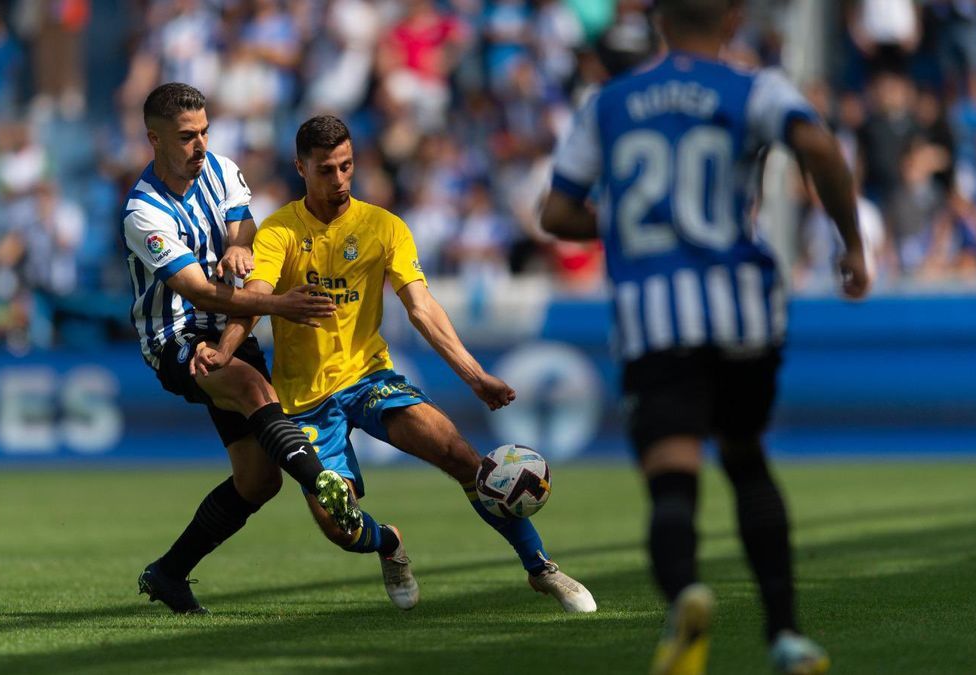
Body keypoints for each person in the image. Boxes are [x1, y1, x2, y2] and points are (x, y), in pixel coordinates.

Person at [540, 1, 871, 673]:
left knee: (672, 481)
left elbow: (557, 210)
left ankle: (686, 594)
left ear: (659, 21)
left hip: (654, 317)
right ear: (732, 17)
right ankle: (786, 635)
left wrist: (634, 221)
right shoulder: (756, 87)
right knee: (746, 459)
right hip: (742, 310)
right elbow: (817, 146)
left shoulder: (609, 102)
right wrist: (852, 243)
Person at [205, 115, 596, 613]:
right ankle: (388, 543)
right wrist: (224, 348)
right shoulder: (279, 230)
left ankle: (541, 568)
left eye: (347, 166)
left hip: (368, 378)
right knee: (340, 524)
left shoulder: (383, 226)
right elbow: (255, 297)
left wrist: (474, 375)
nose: (340, 179)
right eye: (327, 169)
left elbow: (422, 307)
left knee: (463, 458)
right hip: (304, 401)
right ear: (301, 167)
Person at [123, 83, 362, 615]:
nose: (200, 144)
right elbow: (194, 289)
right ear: (154, 139)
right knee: (253, 387)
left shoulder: (222, 169)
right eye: (187, 136)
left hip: (231, 324)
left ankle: (168, 573)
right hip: (176, 337)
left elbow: (244, 225)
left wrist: (238, 243)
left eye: (204, 131)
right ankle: (322, 480)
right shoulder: (143, 213)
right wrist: (278, 304)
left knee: (258, 480)